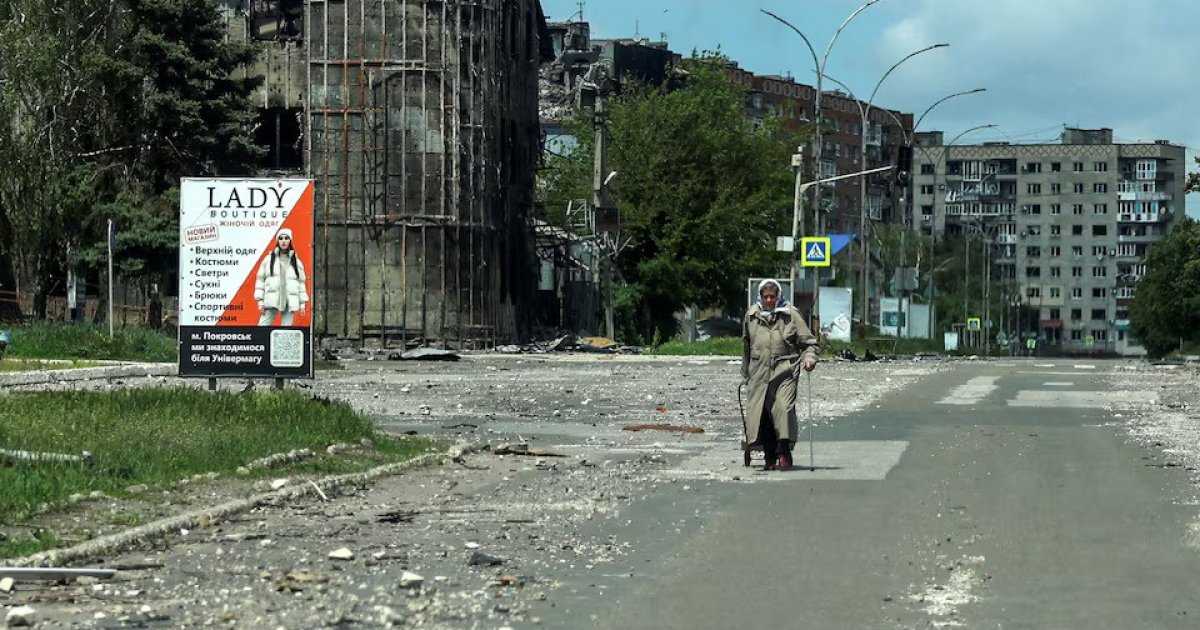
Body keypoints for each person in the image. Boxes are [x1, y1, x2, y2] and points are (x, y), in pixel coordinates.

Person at [741, 279, 819, 471]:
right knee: (763, 413)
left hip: (785, 370)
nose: (769, 300)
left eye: (772, 297)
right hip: (759, 372)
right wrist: (745, 373)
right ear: (760, 297)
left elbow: (809, 343)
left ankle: (783, 451)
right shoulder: (752, 316)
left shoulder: (791, 315)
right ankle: (769, 455)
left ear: (778, 296)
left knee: (783, 408)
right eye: (765, 297)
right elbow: (746, 346)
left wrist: (809, 359)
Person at [255, 228, 308, 326]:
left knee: (286, 330)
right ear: (277, 241)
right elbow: (260, 280)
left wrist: (302, 304)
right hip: (271, 299)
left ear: (290, 241)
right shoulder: (268, 260)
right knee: (262, 327)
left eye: (286, 238)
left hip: (289, 300)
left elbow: (301, 283)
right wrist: (260, 302)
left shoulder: (296, 261)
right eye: (281, 238)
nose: (283, 241)